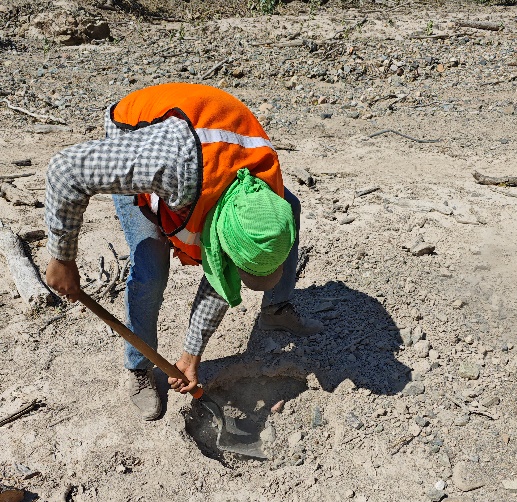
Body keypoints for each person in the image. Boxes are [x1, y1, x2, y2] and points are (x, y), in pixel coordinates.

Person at [45, 83, 323, 420]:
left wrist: (191, 356)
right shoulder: (167, 165)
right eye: (232, 262)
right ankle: (139, 366)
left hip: (209, 143)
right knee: (150, 267)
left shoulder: (268, 192)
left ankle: (275, 310)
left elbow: (222, 276)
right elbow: (65, 170)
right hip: (136, 133)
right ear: (220, 240)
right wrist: (62, 257)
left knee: (291, 205)